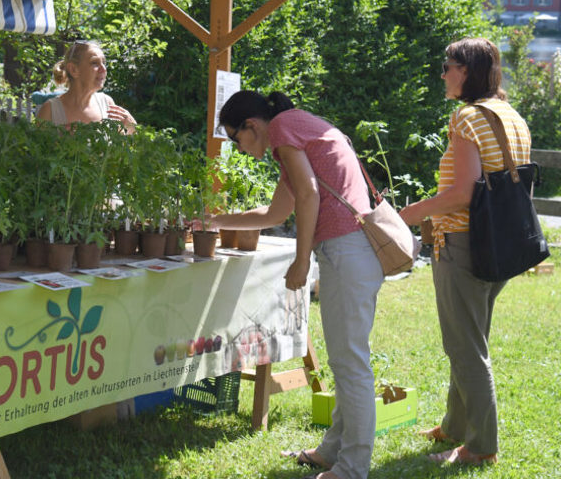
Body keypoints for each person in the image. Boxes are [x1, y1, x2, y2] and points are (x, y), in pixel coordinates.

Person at [205, 90, 384, 479]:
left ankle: (352, 469)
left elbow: (309, 194)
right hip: (349, 252)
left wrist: (302, 261)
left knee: (350, 363)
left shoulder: (285, 128)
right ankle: (332, 451)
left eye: (236, 138)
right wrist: (213, 222)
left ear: (252, 125)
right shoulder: (295, 130)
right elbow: (275, 212)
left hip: (347, 252)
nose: (239, 148)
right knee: (345, 360)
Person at [399, 37, 528, 466]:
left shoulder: (467, 118)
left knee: (466, 347)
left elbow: (461, 194)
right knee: (469, 339)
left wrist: (411, 212)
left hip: (465, 244)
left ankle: (480, 447)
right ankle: (453, 427)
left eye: (448, 65)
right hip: (502, 244)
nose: (443, 73)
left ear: (467, 71)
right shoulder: (510, 115)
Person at [35, 40, 136, 134]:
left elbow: (122, 147)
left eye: (104, 63)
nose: (103, 69)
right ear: (73, 69)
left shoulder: (107, 103)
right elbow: (38, 152)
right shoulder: (50, 110)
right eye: (94, 63)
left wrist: (131, 127)